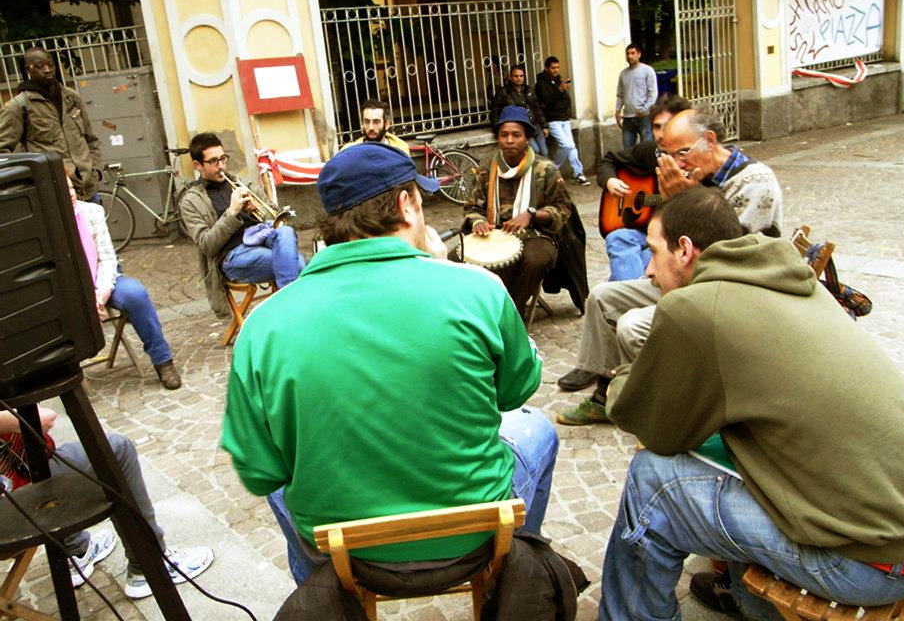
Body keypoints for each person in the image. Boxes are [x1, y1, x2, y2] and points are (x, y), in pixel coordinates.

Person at [599, 186, 904, 621]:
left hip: (873, 560)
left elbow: (656, 429)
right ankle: (748, 598)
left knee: (652, 480)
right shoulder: (796, 283)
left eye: (653, 251)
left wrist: (622, 378)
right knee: (741, 456)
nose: (649, 270)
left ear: (684, 250)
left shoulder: (695, 308)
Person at [221, 142, 558, 587]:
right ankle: (511, 573)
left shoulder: (263, 325)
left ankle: (322, 595)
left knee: (287, 477)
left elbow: (259, 471)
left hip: (343, 554)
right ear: (406, 205)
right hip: (470, 540)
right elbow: (515, 391)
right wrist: (443, 267)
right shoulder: (478, 289)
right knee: (537, 430)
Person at [555, 107, 783, 420]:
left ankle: (667, 410)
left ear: (710, 140)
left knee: (631, 325)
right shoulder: (692, 175)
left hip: (727, 292)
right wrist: (673, 201)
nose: (676, 162)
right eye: (667, 153)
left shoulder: (754, 181)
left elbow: (728, 256)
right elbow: (670, 238)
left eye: (682, 152)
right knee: (603, 297)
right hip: (684, 279)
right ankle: (605, 388)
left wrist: (692, 198)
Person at [0, 408, 213, 598]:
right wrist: (13, 420)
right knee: (116, 449)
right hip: (9, 511)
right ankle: (150, 565)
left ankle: (77, 553)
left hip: (16, 475)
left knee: (43, 460)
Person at [68, 172, 182, 389]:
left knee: (136, 294)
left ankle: (163, 360)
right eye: (64, 191)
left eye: (72, 188)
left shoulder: (92, 211)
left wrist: (100, 295)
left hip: (103, 280)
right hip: (71, 290)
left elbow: (107, 259)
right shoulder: (46, 224)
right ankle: (68, 376)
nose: (71, 194)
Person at [179, 132, 305, 318]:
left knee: (285, 231)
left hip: (263, 238)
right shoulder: (190, 201)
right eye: (213, 161)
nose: (221, 166)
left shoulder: (240, 184)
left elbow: (275, 217)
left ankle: (287, 312)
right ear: (198, 165)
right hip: (233, 255)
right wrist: (231, 213)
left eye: (223, 158)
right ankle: (292, 312)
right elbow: (206, 245)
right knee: (298, 262)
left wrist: (254, 208)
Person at [463, 105, 575, 314]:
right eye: (504, 135)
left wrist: (532, 214)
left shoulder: (545, 168)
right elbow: (471, 206)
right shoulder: (486, 169)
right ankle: (476, 313)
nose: (510, 140)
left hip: (536, 235)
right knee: (456, 259)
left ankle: (511, 314)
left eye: (516, 135)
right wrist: (477, 221)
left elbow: (563, 208)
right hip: (494, 233)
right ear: (498, 138)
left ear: (527, 138)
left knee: (534, 260)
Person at [598, 93, 691, 281]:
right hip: (644, 229)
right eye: (656, 126)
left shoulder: (694, 158)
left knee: (638, 265)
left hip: (677, 238)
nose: (661, 133)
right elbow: (608, 160)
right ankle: (628, 295)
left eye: (668, 125)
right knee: (617, 237)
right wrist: (611, 181)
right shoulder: (649, 151)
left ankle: (625, 297)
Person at [0, 47, 102, 200]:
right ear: (28, 69)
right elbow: (3, 152)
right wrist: (33, 181)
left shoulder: (71, 97)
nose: (47, 70)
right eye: (40, 66)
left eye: (50, 65)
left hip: (89, 189)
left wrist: (96, 171)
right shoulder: (18, 106)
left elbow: (90, 138)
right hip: (55, 193)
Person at [535, 56, 589, 185]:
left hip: (564, 118)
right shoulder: (541, 83)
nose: (556, 70)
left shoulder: (558, 80)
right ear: (546, 68)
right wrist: (559, 90)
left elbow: (566, 100)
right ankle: (553, 171)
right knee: (566, 145)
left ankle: (578, 173)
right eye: (553, 68)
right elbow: (548, 102)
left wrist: (560, 93)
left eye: (557, 67)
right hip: (553, 120)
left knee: (572, 147)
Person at [490, 64, 550, 156]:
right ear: (510, 77)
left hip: (535, 126)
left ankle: (541, 170)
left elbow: (537, 109)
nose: (519, 78)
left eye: (521, 76)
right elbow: (495, 112)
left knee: (544, 152)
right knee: (535, 151)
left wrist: (544, 126)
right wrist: (497, 130)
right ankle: (531, 169)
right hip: (522, 128)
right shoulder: (503, 92)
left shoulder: (529, 90)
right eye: (516, 76)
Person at [614, 44, 657, 150]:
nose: (630, 56)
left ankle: (646, 167)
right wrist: (618, 111)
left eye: (633, 53)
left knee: (646, 148)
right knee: (628, 149)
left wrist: (644, 109)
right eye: (627, 53)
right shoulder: (623, 74)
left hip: (644, 117)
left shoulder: (647, 70)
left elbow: (652, 93)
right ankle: (631, 167)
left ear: (639, 54)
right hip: (628, 117)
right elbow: (620, 94)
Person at [338, 98, 410, 155]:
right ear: (362, 124)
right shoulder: (348, 152)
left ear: (387, 124)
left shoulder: (400, 150)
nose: (371, 127)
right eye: (366, 122)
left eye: (376, 122)